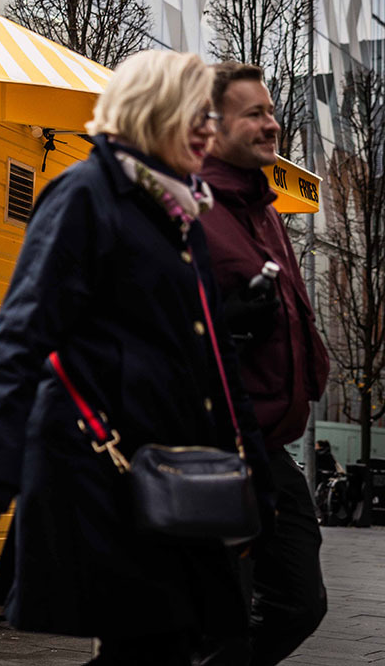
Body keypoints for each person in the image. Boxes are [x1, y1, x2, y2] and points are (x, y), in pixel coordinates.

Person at [0, 50, 272, 665]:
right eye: (197, 116)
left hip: (167, 467)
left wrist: (254, 469)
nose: (208, 131)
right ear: (156, 112)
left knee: (172, 643)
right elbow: (23, 330)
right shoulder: (86, 193)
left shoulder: (182, 213)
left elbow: (215, 357)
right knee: (154, 645)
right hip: (102, 471)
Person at [197, 62, 330, 665]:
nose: (272, 124)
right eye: (254, 114)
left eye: (271, 111)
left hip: (268, 444)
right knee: (216, 618)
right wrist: (220, 323)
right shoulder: (186, 208)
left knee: (301, 602)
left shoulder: (268, 214)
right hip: (206, 445)